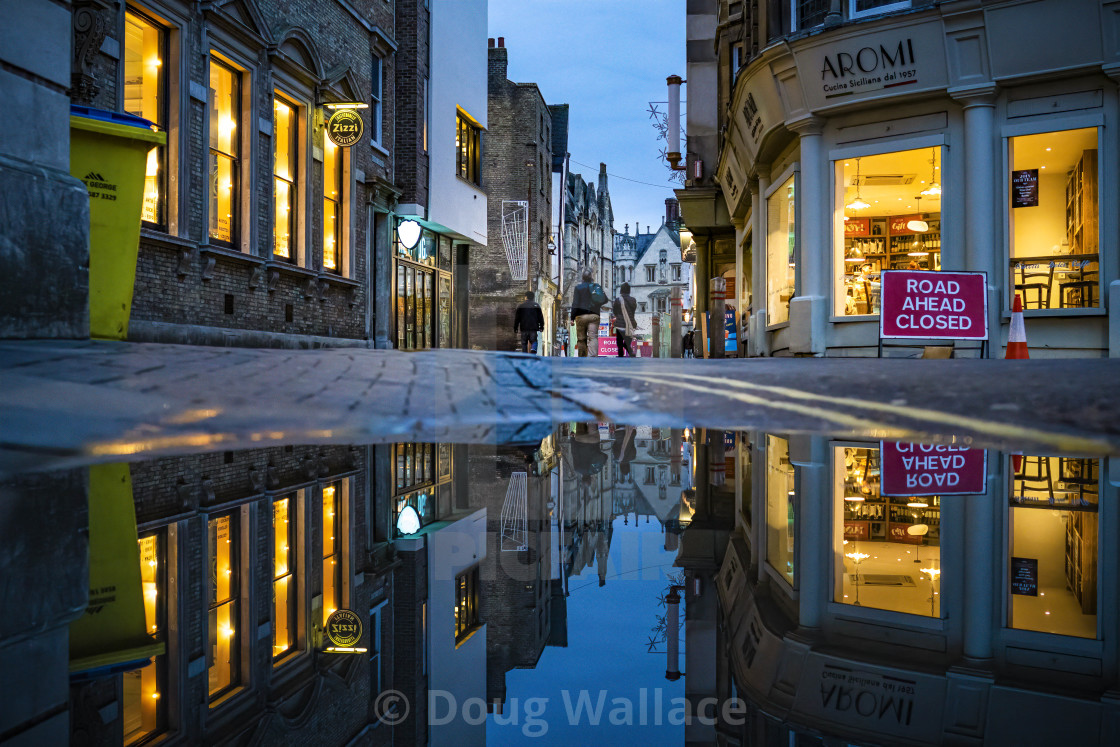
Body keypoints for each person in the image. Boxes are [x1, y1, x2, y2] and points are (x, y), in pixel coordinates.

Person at [570, 270, 606, 357]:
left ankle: (582, 357)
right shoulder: (596, 287)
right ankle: (593, 356)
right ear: (591, 277)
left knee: (581, 339)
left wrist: (572, 317)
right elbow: (604, 299)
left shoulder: (578, 288)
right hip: (594, 315)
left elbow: (575, 303)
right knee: (593, 337)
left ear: (582, 277)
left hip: (581, 316)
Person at [612, 283, 638, 357]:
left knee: (619, 343)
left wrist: (619, 316)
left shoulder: (618, 300)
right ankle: (630, 352)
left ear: (621, 290)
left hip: (620, 325)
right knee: (627, 342)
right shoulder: (633, 300)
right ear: (629, 291)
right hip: (629, 325)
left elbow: (615, 311)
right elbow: (633, 311)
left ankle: (621, 355)